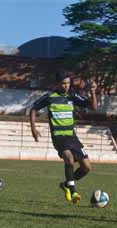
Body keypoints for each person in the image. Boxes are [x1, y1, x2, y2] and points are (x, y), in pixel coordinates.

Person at [30, 73, 97, 205]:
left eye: (67, 83)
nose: (66, 86)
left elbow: (93, 107)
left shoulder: (71, 96)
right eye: (63, 83)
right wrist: (33, 128)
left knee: (87, 167)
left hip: (72, 136)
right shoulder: (50, 97)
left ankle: (66, 184)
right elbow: (34, 109)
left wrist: (93, 91)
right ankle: (73, 192)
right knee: (69, 159)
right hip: (59, 136)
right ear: (57, 84)